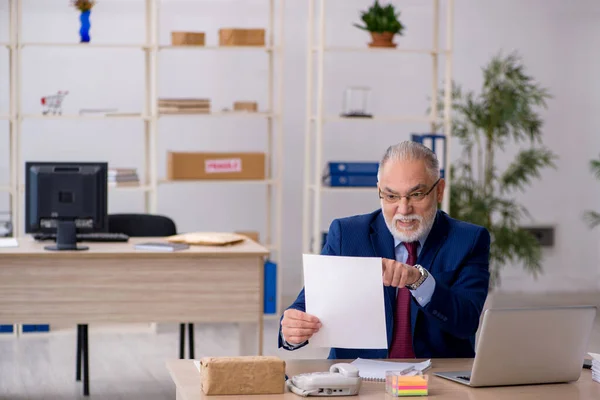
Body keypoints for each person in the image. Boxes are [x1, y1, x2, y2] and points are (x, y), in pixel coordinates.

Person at [278, 141, 491, 359]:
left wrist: (419, 280)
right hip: (359, 378)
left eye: (416, 194)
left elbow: (466, 321)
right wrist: (292, 330)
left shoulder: (469, 240)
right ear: (379, 191)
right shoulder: (347, 235)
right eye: (391, 196)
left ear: (439, 191)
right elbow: (304, 308)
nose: (404, 209)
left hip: (436, 380)